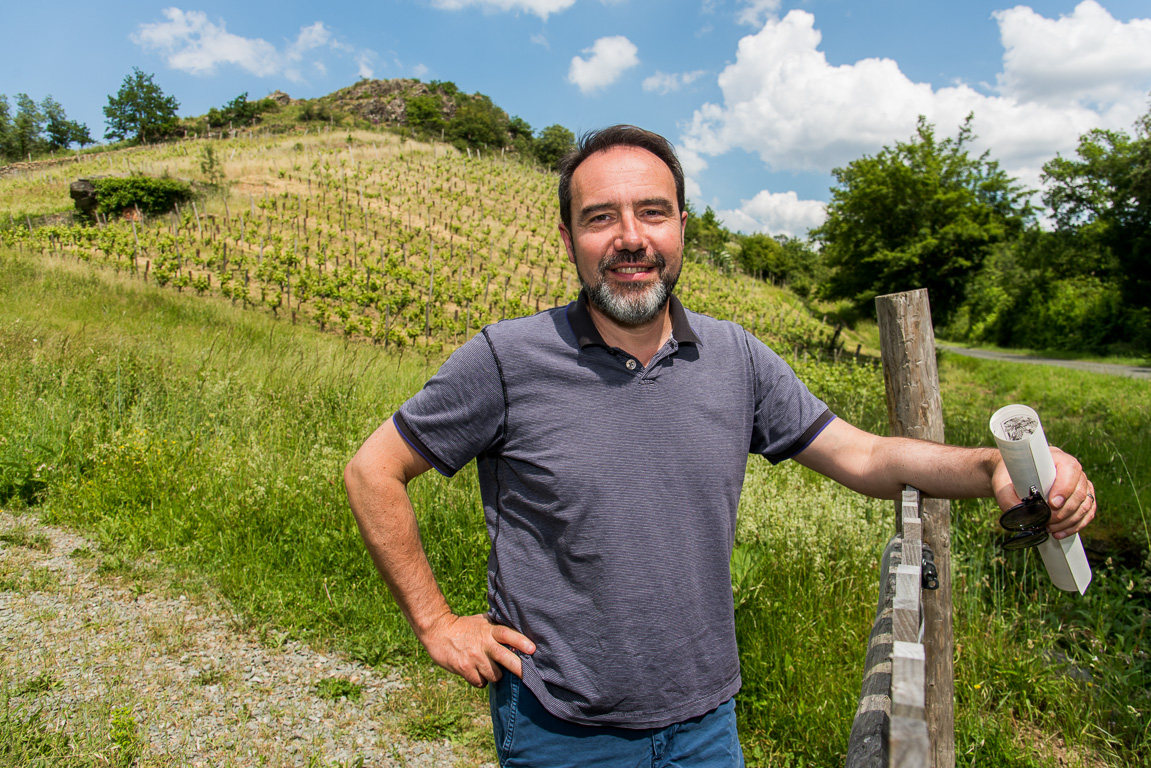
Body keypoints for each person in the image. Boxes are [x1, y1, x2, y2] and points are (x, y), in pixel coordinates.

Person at [343, 125, 1096, 767]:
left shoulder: (735, 358)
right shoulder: (505, 360)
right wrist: (437, 622)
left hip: (705, 725)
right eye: (600, 217)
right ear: (568, 236)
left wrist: (989, 464)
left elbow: (863, 456)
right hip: (558, 725)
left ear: (680, 229)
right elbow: (374, 469)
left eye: (652, 213)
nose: (629, 237)